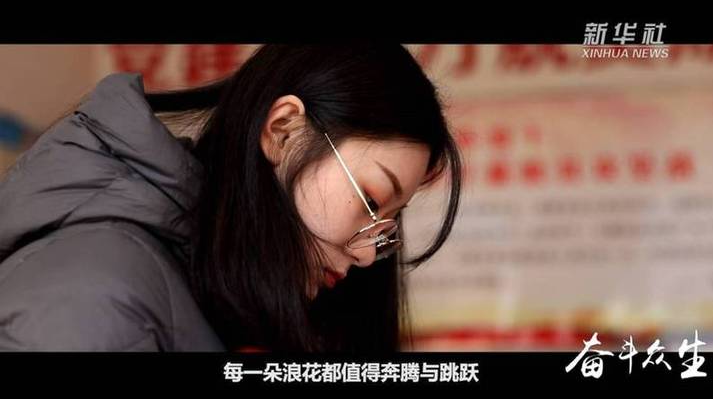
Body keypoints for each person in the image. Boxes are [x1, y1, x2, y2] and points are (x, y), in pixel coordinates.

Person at [0, 44, 461, 352]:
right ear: (283, 131)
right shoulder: (95, 297)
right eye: (370, 199)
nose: (367, 255)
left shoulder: (222, 295)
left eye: (385, 224)